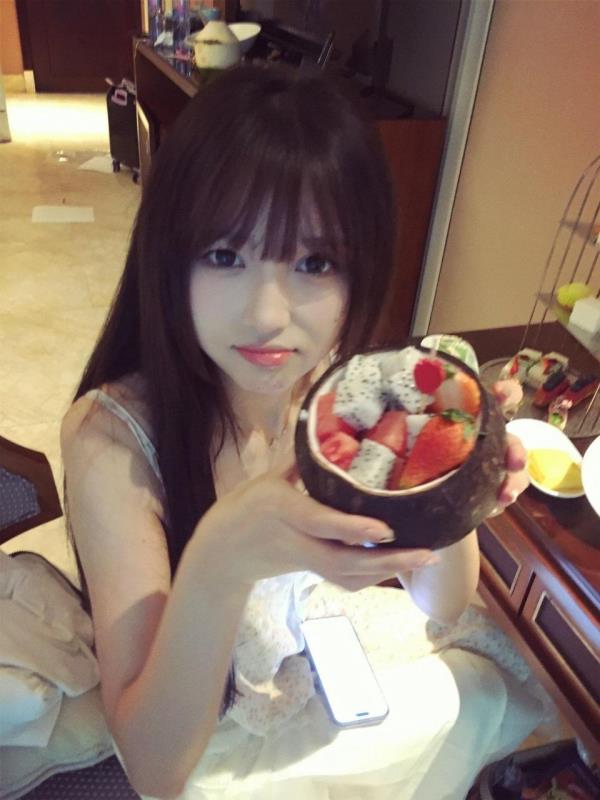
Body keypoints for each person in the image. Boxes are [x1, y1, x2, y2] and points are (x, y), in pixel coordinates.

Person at [61, 63, 547, 800]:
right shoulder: (114, 443)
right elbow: (155, 770)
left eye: (314, 262)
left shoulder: (337, 386)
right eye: (225, 255)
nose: (267, 316)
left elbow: (441, 606)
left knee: (470, 694)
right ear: (168, 258)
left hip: (308, 663)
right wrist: (219, 559)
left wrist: (450, 488)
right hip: (200, 734)